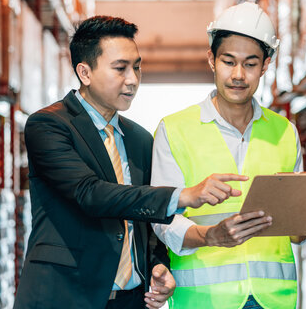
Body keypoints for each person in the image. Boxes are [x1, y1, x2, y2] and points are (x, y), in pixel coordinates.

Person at [14, 16, 246, 309]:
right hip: (66, 295)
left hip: (132, 300)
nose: (133, 79)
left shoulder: (139, 139)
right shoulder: (48, 125)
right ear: (85, 72)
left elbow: (143, 218)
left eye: (137, 67)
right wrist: (183, 195)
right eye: (120, 68)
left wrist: (158, 266)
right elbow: (90, 193)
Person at [151, 2, 306, 309]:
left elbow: (297, 231)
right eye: (228, 61)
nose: (238, 75)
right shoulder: (174, 129)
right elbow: (162, 220)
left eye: (250, 64)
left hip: (273, 300)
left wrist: (301, 223)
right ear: (212, 59)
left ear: (266, 65)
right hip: (205, 301)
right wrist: (211, 236)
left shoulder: (285, 132)